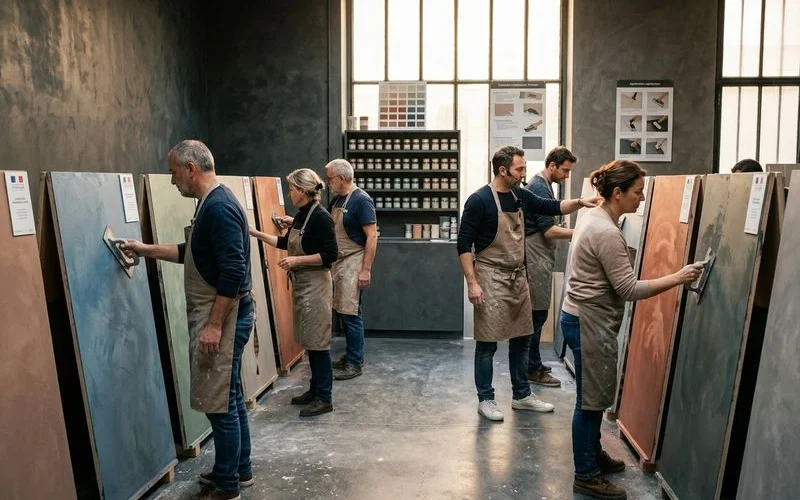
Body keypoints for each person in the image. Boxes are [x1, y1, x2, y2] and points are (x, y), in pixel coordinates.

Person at [561, 160, 703, 499]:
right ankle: (586, 474)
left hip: (580, 317)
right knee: (589, 403)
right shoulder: (606, 231)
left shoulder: (594, 216)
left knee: (592, 397)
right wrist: (678, 277)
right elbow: (628, 289)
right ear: (617, 193)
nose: (642, 198)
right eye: (637, 192)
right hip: (588, 321)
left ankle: (592, 456)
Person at [122, 140, 254, 500]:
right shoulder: (209, 204)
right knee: (229, 397)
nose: (171, 180)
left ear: (191, 168)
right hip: (224, 313)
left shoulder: (220, 208)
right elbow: (192, 254)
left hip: (225, 316)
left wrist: (214, 325)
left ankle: (228, 485)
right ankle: (238, 471)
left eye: (173, 171)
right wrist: (146, 249)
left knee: (218, 403)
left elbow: (233, 270)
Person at [458, 145, 598, 422]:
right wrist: (472, 283)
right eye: (519, 169)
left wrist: (581, 203)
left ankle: (522, 396)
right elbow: (463, 245)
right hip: (490, 277)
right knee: (487, 344)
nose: (524, 174)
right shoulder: (479, 201)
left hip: (518, 277)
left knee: (522, 339)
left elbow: (551, 206)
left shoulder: (519, 195)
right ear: (503, 170)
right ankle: (485, 398)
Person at [249, 168, 338, 417]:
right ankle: (314, 389)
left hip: (316, 286)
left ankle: (324, 397)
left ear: (302, 190)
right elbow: (285, 243)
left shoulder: (321, 217)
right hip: (304, 285)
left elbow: (331, 255)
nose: (289, 193)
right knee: (310, 340)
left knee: (318, 343)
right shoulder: (302, 215)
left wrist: (297, 262)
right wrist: (255, 233)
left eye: (291, 189)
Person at [523, 146, 576, 388]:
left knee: (538, 313)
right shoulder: (539, 187)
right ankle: (532, 369)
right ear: (552, 165)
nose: (566, 175)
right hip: (534, 255)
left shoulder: (545, 185)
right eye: (564, 170)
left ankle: (531, 362)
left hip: (539, 254)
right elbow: (549, 230)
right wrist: (581, 232)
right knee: (537, 314)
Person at [325, 159, 378, 380]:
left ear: (342, 178)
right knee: (345, 313)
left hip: (354, 261)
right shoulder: (337, 199)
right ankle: (350, 356)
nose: (327, 183)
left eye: (329, 178)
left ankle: (355, 362)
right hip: (340, 262)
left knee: (351, 313)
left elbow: (372, 236)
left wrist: (365, 270)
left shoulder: (361, 200)